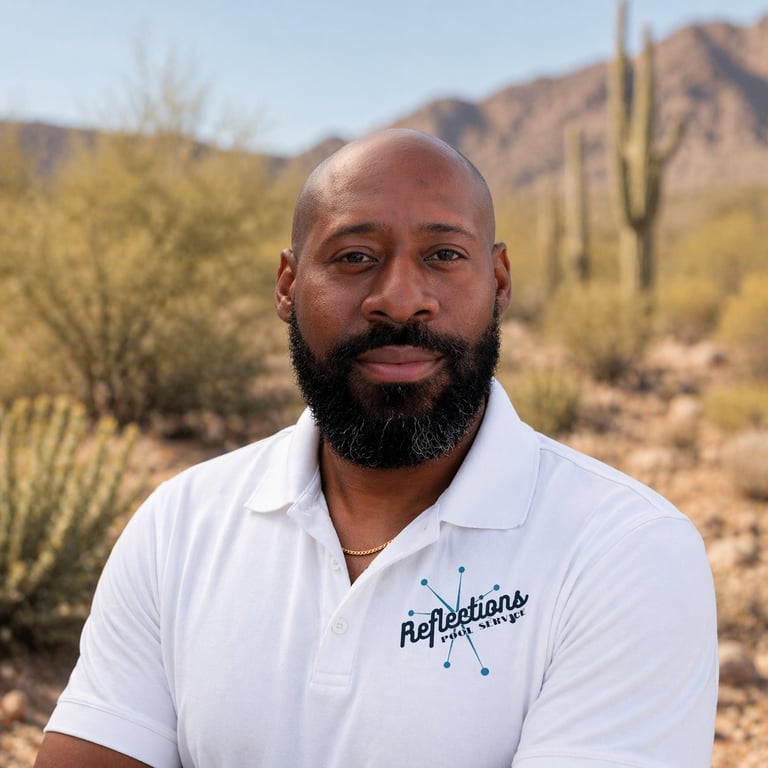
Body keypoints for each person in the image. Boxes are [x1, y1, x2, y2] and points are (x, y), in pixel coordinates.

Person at [35, 129, 718, 768]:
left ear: (500, 281)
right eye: (354, 257)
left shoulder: (625, 550)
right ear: (288, 285)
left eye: (444, 255)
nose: (399, 300)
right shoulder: (181, 525)